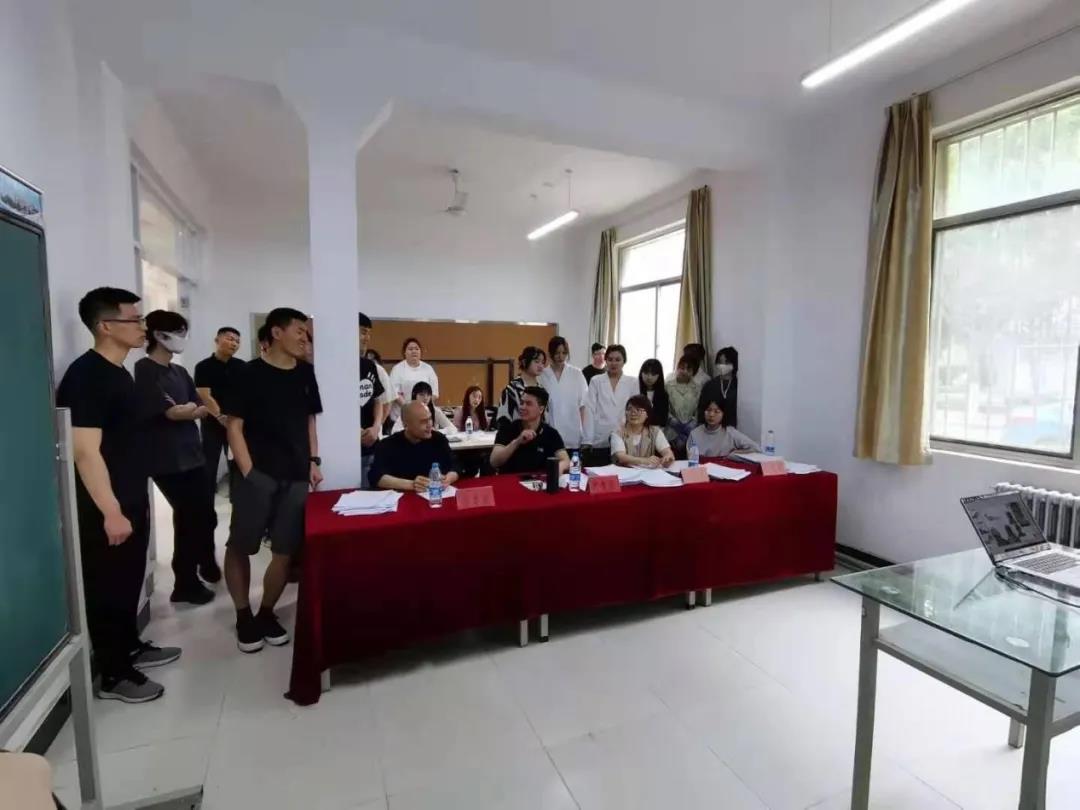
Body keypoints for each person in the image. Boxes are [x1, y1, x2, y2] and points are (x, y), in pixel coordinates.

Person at [56, 287, 180, 704]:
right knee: (107, 587)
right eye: (135, 319)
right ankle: (113, 674)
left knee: (128, 580)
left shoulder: (119, 372)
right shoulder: (86, 376)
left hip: (130, 494)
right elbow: (84, 452)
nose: (144, 327)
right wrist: (110, 511)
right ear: (105, 326)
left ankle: (130, 647)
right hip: (105, 504)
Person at [222, 307, 323, 653]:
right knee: (241, 545)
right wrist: (249, 471)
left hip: (295, 476)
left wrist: (313, 461)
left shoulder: (305, 373)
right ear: (277, 333)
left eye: (306, 333)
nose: (305, 338)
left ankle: (266, 612)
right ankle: (243, 615)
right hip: (257, 475)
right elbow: (234, 426)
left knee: (284, 550)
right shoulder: (248, 373)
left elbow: (309, 421)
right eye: (299, 331)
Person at [135, 311, 217, 606]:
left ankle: (206, 562)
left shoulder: (179, 372)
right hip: (167, 459)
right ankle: (185, 582)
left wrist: (190, 409)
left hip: (192, 454)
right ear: (159, 335)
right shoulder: (145, 370)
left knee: (206, 515)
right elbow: (172, 412)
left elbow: (198, 405)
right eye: (178, 332)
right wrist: (189, 410)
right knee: (189, 518)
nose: (182, 338)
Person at [193, 326, 245, 543]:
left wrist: (236, 420)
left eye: (237, 341)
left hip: (237, 425)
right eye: (230, 339)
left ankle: (239, 505)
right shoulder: (204, 366)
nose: (234, 343)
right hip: (213, 425)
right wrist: (221, 417)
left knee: (237, 465)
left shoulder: (241, 367)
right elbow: (204, 395)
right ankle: (204, 511)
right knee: (209, 465)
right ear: (217, 340)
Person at [369, 400, 461, 492]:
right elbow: (376, 477)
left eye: (430, 419)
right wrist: (412, 484)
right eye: (423, 421)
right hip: (402, 497)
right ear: (406, 424)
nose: (429, 425)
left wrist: (449, 477)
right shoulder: (387, 445)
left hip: (435, 494)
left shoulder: (438, 439)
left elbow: (456, 465)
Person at [491, 387, 570, 475]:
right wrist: (517, 442)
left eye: (528, 404)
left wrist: (558, 469)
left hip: (538, 481)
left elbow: (566, 461)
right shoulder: (507, 429)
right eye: (521, 403)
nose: (522, 407)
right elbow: (494, 461)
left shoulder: (551, 433)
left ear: (541, 409)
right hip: (510, 480)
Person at [583, 344, 637, 466]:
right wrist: (588, 440)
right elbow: (589, 410)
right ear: (606, 360)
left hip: (624, 436)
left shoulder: (633, 382)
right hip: (600, 436)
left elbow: (635, 410)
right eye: (610, 359)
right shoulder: (596, 381)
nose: (614, 363)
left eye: (618, 360)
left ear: (624, 361)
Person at [539, 336, 588, 452]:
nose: (561, 356)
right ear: (550, 354)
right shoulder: (542, 375)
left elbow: (584, 405)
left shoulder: (576, 374)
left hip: (573, 432)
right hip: (550, 428)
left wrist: (585, 434)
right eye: (557, 353)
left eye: (564, 353)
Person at [356, 313, 387, 488]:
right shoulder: (334, 367)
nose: (366, 338)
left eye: (368, 333)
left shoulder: (369, 366)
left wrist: (376, 427)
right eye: (362, 332)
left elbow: (378, 400)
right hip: (344, 448)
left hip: (371, 445)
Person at [611, 395, 675, 468]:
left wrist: (667, 457)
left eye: (638, 410)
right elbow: (621, 457)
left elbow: (667, 451)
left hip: (646, 472)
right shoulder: (618, 433)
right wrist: (644, 460)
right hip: (623, 472)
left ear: (647, 414)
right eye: (629, 409)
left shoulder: (654, 431)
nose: (633, 413)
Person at [688, 396, 760, 457]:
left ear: (724, 414)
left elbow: (756, 448)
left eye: (716, 411)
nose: (711, 415)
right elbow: (690, 459)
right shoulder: (694, 434)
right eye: (708, 410)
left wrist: (735, 453)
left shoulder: (730, 432)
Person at [389, 337, 439, 424]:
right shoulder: (397, 369)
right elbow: (395, 393)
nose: (414, 351)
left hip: (424, 415)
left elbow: (434, 393)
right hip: (401, 416)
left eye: (416, 349)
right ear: (404, 352)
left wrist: (422, 407)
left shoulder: (428, 369)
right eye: (410, 349)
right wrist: (410, 409)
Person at [496, 346, 545, 428]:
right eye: (537, 362)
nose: (541, 366)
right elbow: (503, 419)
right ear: (524, 362)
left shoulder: (542, 389)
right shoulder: (512, 389)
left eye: (543, 362)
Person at [666, 354, 702, 456]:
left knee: (690, 460)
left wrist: (692, 424)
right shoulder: (667, 386)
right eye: (682, 368)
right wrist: (673, 422)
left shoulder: (697, 388)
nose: (684, 371)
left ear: (694, 372)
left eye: (688, 369)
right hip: (671, 431)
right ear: (677, 368)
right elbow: (664, 408)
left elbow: (699, 408)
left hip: (691, 430)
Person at [391, 381, 457, 434]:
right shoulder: (408, 411)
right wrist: (414, 431)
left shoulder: (435, 411)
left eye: (428, 395)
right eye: (422, 395)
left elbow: (453, 429)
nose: (425, 398)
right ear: (414, 395)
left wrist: (436, 432)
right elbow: (394, 431)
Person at [697, 346, 739, 427]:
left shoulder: (738, 385)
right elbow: (702, 408)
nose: (722, 365)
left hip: (732, 428)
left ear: (734, 363)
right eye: (720, 362)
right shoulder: (710, 385)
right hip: (711, 428)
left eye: (726, 362)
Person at [365, 348, 394, 435]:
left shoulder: (379, 370)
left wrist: (377, 427)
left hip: (373, 429)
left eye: (373, 359)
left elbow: (387, 401)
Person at [638, 359, 670, 432]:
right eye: (646, 373)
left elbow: (663, 420)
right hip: (636, 431)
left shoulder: (663, 395)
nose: (649, 377)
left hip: (656, 432)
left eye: (653, 374)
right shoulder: (635, 391)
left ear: (659, 375)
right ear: (641, 373)